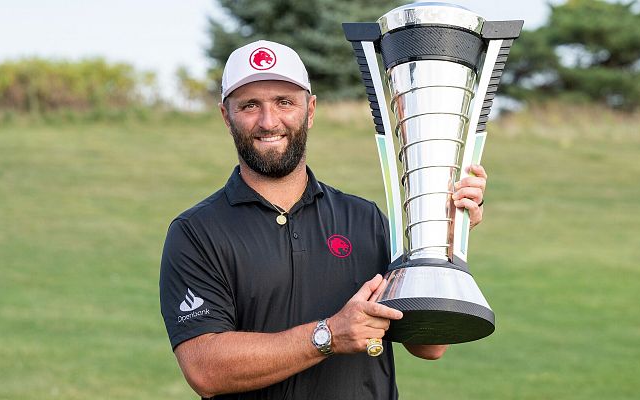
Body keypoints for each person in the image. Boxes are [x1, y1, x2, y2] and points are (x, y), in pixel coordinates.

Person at [159, 40, 488, 400]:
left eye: (285, 102)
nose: (269, 122)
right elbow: (205, 369)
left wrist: (445, 242)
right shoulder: (197, 233)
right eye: (250, 105)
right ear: (227, 116)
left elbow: (429, 346)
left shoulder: (365, 220)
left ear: (310, 110)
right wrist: (329, 335)